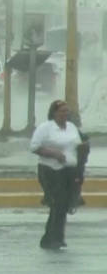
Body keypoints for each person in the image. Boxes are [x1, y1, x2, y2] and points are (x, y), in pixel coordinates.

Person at [30, 100, 86, 249]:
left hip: (69, 171)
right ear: (54, 112)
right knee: (58, 202)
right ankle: (51, 239)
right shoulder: (46, 128)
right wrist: (53, 153)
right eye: (62, 111)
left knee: (63, 205)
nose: (65, 114)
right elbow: (34, 147)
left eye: (67, 111)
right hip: (51, 171)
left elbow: (79, 146)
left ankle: (55, 238)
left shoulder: (72, 128)